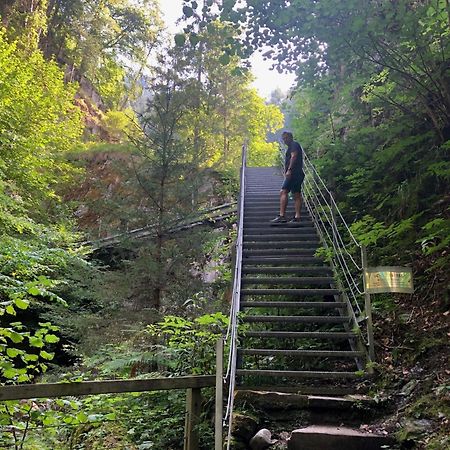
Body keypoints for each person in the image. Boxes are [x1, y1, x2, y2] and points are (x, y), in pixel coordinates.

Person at [271, 131, 304, 223]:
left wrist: (289, 170)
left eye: (286, 138)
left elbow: (294, 156)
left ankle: (282, 215)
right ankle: (297, 217)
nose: (284, 140)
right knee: (296, 194)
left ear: (290, 137)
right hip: (298, 174)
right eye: (283, 139)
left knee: (283, 191)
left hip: (293, 173)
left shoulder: (294, 145)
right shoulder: (292, 146)